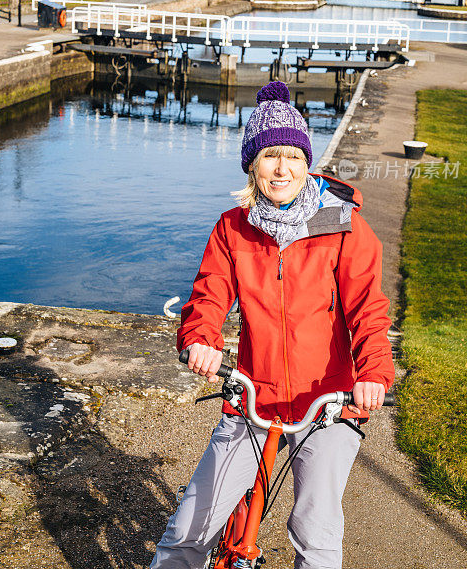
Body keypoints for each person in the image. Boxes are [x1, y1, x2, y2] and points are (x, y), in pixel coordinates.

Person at [151, 80, 394, 569]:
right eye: (269, 157)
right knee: (188, 530)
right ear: (252, 166)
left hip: (328, 402)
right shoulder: (232, 227)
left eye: (292, 157)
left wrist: (372, 375)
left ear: (307, 164)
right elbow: (209, 295)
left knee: (314, 530)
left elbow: (368, 310)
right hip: (252, 398)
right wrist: (201, 338)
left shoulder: (344, 227)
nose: (281, 169)